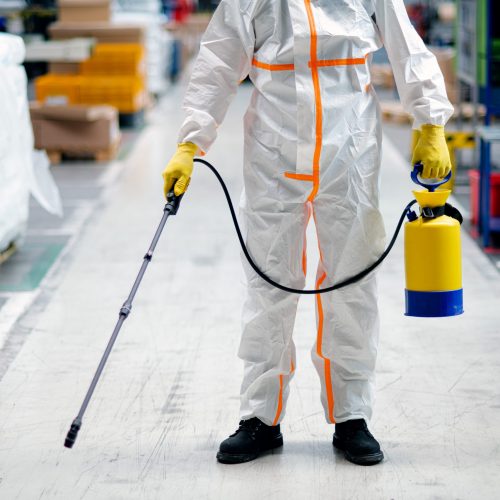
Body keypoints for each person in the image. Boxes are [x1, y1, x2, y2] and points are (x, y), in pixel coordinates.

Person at [163, 0, 453, 466]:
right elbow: (218, 61)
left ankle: (352, 416)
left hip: (350, 149)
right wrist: (190, 142)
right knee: (268, 282)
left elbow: (407, 49)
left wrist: (431, 120)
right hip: (273, 151)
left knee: (352, 283)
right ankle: (260, 417)